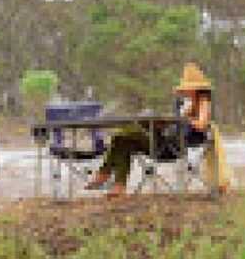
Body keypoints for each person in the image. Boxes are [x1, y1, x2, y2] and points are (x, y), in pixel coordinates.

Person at [86, 63, 217, 197]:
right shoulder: (186, 103)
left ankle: (105, 174)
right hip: (166, 140)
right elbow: (177, 125)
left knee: (129, 130)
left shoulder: (203, 102)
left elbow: (201, 125)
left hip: (173, 147)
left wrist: (182, 119)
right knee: (122, 138)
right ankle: (118, 186)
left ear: (196, 88)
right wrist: (165, 122)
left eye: (188, 88)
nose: (186, 91)